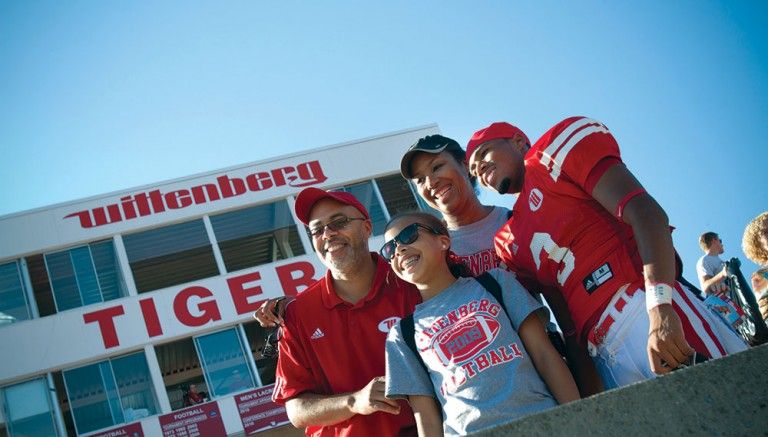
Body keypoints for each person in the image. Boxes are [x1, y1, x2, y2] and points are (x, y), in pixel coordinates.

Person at [465, 118, 747, 388]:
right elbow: (567, 322)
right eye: (475, 171)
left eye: (484, 154)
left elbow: (646, 213)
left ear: (517, 141)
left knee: (730, 407)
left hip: (642, 306)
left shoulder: (552, 154)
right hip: (603, 354)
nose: (480, 170)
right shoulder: (507, 241)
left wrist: (661, 308)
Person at [399, 135, 603, 396]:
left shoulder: (516, 223)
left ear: (464, 164)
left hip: (548, 367)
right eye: (419, 180)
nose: (430, 182)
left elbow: (562, 307)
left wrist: (586, 380)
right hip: (484, 389)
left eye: (437, 167)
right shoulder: (428, 252)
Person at [381, 212, 579, 436]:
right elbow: (426, 416)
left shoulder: (497, 283)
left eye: (408, 235)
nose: (399, 249)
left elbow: (545, 356)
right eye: (389, 249)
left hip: (543, 424)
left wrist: (578, 420)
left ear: (443, 241)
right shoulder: (402, 335)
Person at [271, 187, 421, 436]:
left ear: (367, 227)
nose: (328, 234)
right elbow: (296, 410)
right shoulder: (297, 314)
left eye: (339, 222)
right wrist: (355, 401)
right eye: (317, 230)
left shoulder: (410, 282)